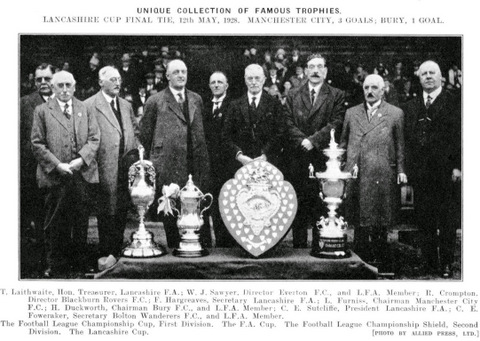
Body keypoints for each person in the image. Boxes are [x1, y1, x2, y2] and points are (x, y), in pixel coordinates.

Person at [31, 71, 100, 277]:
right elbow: (37, 143)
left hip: (81, 174)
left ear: (75, 86)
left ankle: (79, 263)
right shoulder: (42, 110)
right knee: (55, 222)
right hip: (55, 176)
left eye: (68, 85)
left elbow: (94, 138)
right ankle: (55, 264)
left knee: (80, 221)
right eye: (59, 85)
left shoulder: (84, 108)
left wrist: (81, 159)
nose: (64, 90)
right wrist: (57, 165)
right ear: (52, 88)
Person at [140, 59, 211, 248]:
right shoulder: (155, 101)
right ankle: (174, 249)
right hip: (168, 162)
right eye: (177, 72)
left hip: (194, 161)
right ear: (168, 76)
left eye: (184, 71)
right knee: (170, 208)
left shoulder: (196, 99)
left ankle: (200, 248)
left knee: (197, 206)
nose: (181, 75)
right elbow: (146, 135)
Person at [340, 74, 407, 268]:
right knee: (359, 219)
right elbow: (343, 143)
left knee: (379, 218)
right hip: (357, 171)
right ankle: (359, 261)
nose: (369, 91)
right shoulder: (351, 113)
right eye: (366, 87)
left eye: (374, 88)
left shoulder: (395, 113)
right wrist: (343, 168)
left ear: (383, 90)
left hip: (381, 171)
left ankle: (381, 261)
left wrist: (401, 169)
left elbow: (400, 145)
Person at [402, 60, 461, 277]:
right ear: (419, 79)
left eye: (432, 73)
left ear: (440, 77)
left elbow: (463, 137)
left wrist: (458, 166)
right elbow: (407, 141)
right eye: (424, 73)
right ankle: (428, 262)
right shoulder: (410, 106)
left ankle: (446, 262)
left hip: (447, 172)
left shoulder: (456, 102)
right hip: (421, 172)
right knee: (424, 218)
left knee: (447, 219)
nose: (428, 76)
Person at [284, 53, 346, 248]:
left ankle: (322, 246)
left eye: (320, 67)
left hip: (323, 158)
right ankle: (299, 249)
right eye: (311, 67)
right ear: (305, 71)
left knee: (322, 204)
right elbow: (287, 121)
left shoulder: (336, 95)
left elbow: (336, 122)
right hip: (299, 156)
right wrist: (302, 140)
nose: (316, 71)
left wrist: (313, 140)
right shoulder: (293, 94)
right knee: (299, 205)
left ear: (325, 71)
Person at [84, 66, 140, 260]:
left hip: (125, 169)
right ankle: (106, 254)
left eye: (119, 79)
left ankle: (115, 253)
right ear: (101, 82)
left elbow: (134, 131)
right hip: (103, 169)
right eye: (112, 79)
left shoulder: (125, 105)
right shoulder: (89, 105)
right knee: (106, 212)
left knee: (122, 210)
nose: (117, 83)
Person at [20, 63, 55, 255]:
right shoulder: (24, 103)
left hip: (58, 170)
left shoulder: (63, 101)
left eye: (47, 79)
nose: (43, 83)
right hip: (32, 171)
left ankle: (56, 259)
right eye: (38, 79)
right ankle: (38, 261)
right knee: (36, 217)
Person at [222, 63, 284, 169]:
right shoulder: (234, 105)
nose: (254, 82)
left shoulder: (274, 104)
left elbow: (280, 133)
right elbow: (226, 135)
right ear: (245, 80)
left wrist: (265, 155)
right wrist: (239, 156)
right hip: (240, 165)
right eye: (250, 78)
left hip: (268, 164)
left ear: (264, 79)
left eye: (257, 78)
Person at [203, 71, 236, 247]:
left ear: (226, 85)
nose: (216, 85)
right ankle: (208, 242)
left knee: (226, 201)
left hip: (227, 163)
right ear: (209, 86)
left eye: (220, 82)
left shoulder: (233, 105)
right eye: (213, 82)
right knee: (210, 202)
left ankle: (227, 243)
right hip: (208, 162)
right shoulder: (204, 106)